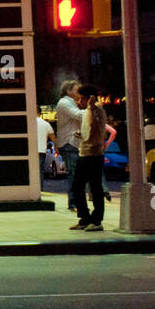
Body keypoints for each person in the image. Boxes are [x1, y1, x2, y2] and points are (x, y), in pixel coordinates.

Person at [70, 84, 108, 231]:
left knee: (95, 188)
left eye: (80, 98)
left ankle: (97, 220)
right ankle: (84, 218)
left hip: (94, 155)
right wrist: (81, 134)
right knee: (77, 187)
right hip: (84, 153)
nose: (78, 102)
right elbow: (91, 129)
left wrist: (92, 105)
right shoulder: (87, 111)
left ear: (88, 98)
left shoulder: (97, 109)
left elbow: (96, 121)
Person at [55, 80, 84, 211]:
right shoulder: (65, 103)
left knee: (75, 173)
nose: (79, 93)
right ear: (69, 91)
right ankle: (74, 202)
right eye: (77, 91)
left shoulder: (70, 103)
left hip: (71, 142)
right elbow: (78, 115)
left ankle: (75, 201)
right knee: (74, 173)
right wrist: (92, 108)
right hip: (69, 142)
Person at [36, 111, 56, 180]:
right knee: (39, 172)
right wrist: (56, 149)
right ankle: (40, 189)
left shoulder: (28, 122)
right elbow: (53, 137)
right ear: (40, 113)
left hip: (31, 151)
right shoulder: (45, 124)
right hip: (41, 150)